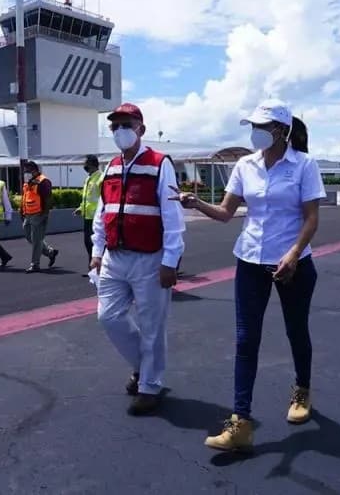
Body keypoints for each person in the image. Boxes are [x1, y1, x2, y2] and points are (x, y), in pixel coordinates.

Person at [171, 100, 325, 451]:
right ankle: (241, 422)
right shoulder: (245, 165)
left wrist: (293, 254)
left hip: (294, 263)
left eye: (262, 126)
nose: (255, 133)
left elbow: (312, 218)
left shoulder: (304, 165)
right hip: (250, 261)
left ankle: (302, 389)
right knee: (245, 340)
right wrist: (196, 204)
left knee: (296, 330)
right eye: (252, 126)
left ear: (281, 131)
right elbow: (227, 212)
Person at [90, 103, 185, 416]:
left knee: (151, 325)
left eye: (126, 125)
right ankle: (143, 367)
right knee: (108, 317)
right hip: (115, 258)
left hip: (149, 259)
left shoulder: (160, 164)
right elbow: (102, 213)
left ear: (141, 128)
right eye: (115, 126)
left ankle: (149, 386)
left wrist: (171, 261)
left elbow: (172, 218)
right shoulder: (111, 167)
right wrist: (96, 253)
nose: (120, 131)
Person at [21, 161, 59, 273]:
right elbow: (24, 197)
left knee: (36, 240)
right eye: (25, 171)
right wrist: (22, 212)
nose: (25, 173)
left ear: (34, 170)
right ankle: (50, 252)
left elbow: (48, 199)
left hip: (39, 214)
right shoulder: (27, 182)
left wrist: (44, 213)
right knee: (29, 237)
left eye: (27, 171)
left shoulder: (43, 181)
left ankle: (35, 264)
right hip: (27, 214)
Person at [74, 154, 103, 275]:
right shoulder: (88, 178)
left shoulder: (101, 178)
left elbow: (103, 198)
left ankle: (97, 268)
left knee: (95, 243)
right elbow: (87, 198)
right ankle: (93, 268)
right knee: (87, 243)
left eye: (86, 164)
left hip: (96, 218)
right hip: (87, 216)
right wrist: (80, 208)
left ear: (92, 164)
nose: (84, 166)